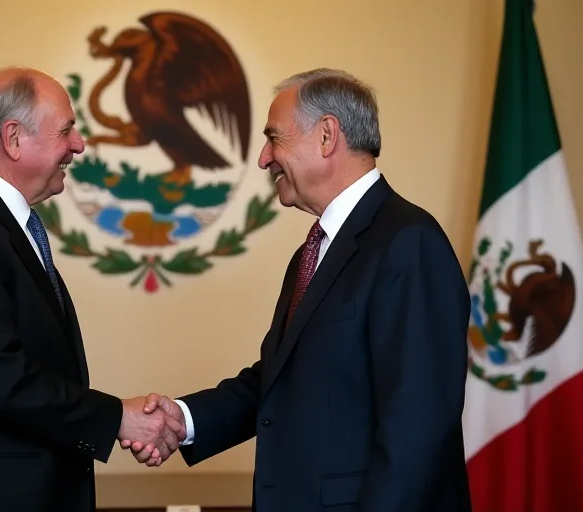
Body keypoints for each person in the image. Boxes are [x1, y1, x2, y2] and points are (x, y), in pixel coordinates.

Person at [126, 68, 472, 511]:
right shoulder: (314, 251)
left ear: (327, 136)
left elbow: (417, 430)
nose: (264, 158)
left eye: (275, 138)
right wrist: (185, 418)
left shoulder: (408, 242)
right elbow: (280, 379)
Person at [0, 67, 184, 512]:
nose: (79, 144)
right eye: (66, 130)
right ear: (14, 139)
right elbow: (1, 382)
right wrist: (119, 417)